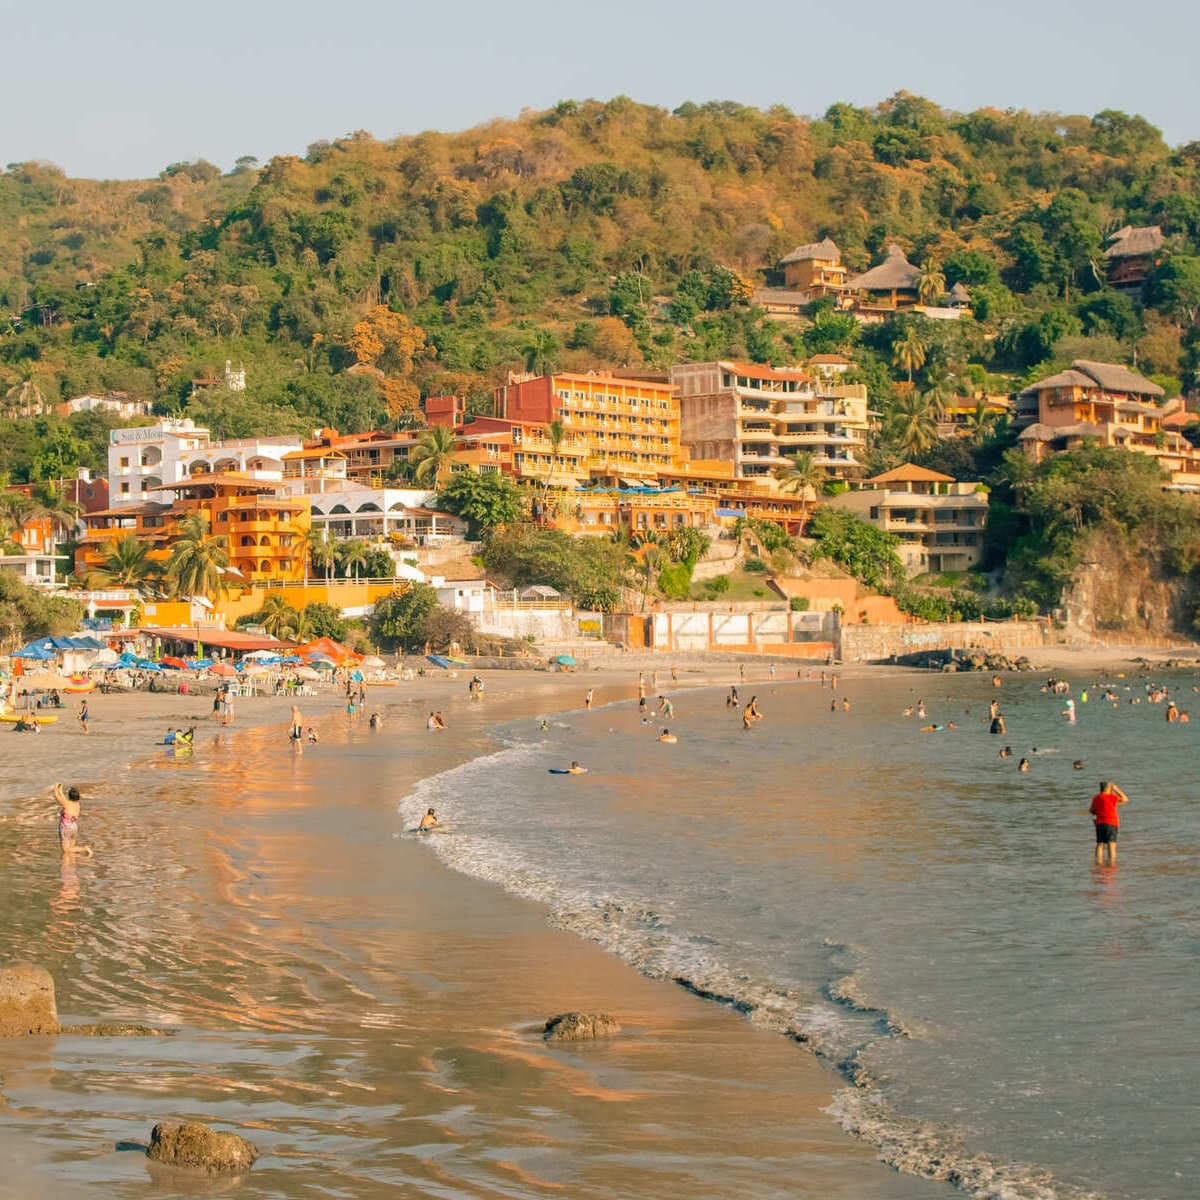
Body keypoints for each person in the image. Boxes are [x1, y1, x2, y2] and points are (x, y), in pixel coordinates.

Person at [1089, 781, 1128, 866]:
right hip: (1111, 822)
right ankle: (1111, 863)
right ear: (1108, 788)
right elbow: (1125, 799)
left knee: (1100, 843)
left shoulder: (1096, 798)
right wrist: (1116, 789)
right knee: (1111, 844)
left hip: (1099, 823)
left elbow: (1091, 810)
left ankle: (1098, 862)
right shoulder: (1111, 797)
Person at [54, 783, 93, 858]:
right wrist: (60, 791)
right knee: (71, 848)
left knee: (66, 850)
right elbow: (63, 798)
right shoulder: (77, 804)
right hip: (74, 827)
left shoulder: (67, 804)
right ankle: (71, 861)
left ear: (69, 796)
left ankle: (84, 849)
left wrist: (56, 788)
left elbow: (57, 796)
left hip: (66, 827)